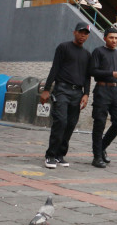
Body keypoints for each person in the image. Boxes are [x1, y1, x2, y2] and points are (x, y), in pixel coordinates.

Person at [40, 23, 93, 169]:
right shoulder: (63, 47)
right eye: (81, 32)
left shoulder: (87, 55)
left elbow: (88, 76)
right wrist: (46, 90)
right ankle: (50, 155)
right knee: (61, 121)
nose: (83, 36)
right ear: (74, 32)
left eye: (86, 34)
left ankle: (60, 155)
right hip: (62, 89)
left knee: (70, 124)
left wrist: (86, 94)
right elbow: (54, 68)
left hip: (77, 93)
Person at [89, 27, 117, 168]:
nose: (114, 40)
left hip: (116, 91)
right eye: (111, 38)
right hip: (102, 90)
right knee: (99, 123)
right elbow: (92, 71)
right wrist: (113, 73)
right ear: (105, 38)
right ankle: (97, 157)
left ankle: (101, 148)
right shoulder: (98, 51)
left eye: (116, 38)